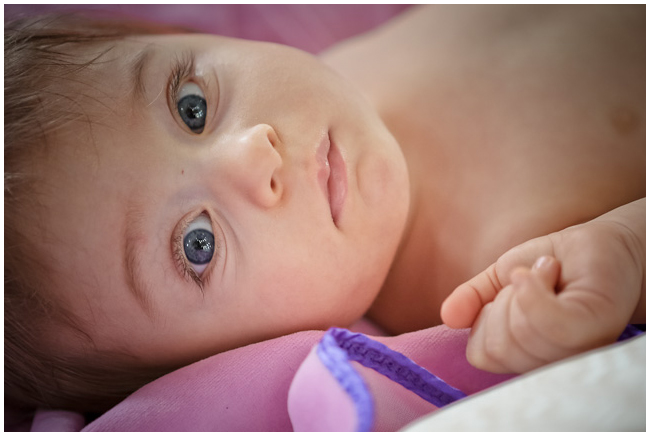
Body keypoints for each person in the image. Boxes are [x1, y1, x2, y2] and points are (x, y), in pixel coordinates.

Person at [5, 4, 644, 413]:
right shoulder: (509, 284)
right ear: (219, 361)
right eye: (198, 244)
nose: (255, 155)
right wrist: (627, 246)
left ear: (178, 34)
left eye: (190, 105)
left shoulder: (343, 47)